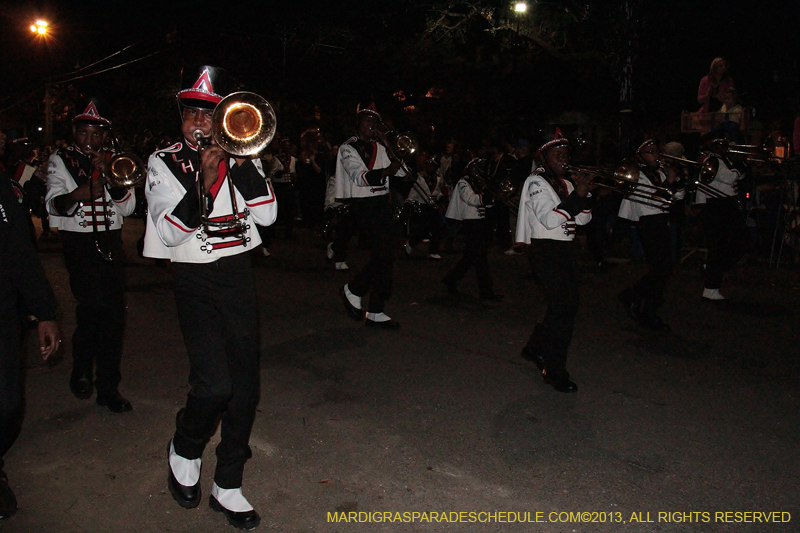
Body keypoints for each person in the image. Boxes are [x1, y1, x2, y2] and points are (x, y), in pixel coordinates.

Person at [143, 65, 277, 530]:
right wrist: (203, 177)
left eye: (208, 115)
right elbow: (169, 230)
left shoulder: (245, 155)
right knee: (215, 384)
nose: (200, 125)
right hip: (194, 279)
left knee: (245, 388)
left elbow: (268, 215)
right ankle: (185, 444)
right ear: (180, 119)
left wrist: (238, 164)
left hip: (238, 274)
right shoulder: (163, 161)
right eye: (191, 115)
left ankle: (230, 484)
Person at [45, 97, 136, 413]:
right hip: (79, 243)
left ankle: (108, 387)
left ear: (104, 136)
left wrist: (109, 177)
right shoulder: (60, 159)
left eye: (96, 135)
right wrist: (77, 195)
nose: (89, 140)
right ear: (75, 132)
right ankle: (82, 366)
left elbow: (129, 206)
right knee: (91, 307)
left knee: (114, 316)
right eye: (84, 133)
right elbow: (52, 204)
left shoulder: (114, 160)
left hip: (110, 240)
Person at [1, 170, 61, 521]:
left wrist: (45, 313)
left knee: (7, 406)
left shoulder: (6, 190)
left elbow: (22, 254)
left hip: (3, 311)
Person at [515, 128, 594, 393]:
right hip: (546, 251)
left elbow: (583, 219)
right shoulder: (537, 182)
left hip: (565, 251)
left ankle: (535, 348)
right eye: (557, 154)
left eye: (565, 154)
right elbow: (549, 220)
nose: (563, 159)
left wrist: (584, 195)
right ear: (544, 158)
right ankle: (554, 369)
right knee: (564, 310)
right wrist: (576, 199)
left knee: (563, 308)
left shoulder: (566, 183)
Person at [335, 101, 403, 329]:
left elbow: (402, 171)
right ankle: (353, 289)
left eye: (374, 121)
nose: (371, 124)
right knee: (383, 254)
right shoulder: (348, 148)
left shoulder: (380, 146)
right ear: (358, 123)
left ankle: (375, 310)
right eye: (367, 120)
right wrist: (384, 171)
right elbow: (358, 176)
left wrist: (389, 146)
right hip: (364, 205)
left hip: (382, 203)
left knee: (387, 255)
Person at [617, 139, 686, 332]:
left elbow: (679, 196)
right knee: (662, 267)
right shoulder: (638, 175)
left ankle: (636, 296)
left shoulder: (660, 171)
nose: (656, 155)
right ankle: (647, 307)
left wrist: (675, 180)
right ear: (640, 155)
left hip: (662, 220)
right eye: (650, 152)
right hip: (649, 222)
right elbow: (653, 201)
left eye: (657, 150)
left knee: (663, 267)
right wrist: (670, 182)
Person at [696, 131, 747, 301]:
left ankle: (712, 267)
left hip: (723, 204)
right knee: (722, 246)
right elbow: (730, 177)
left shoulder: (722, 160)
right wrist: (741, 165)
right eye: (721, 144)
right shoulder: (712, 160)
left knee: (733, 243)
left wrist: (740, 166)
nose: (725, 148)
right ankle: (710, 287)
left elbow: (739, 176)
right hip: (718, 205)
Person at [441, 159, 499, 300]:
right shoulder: (463, 182)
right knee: (479, 258)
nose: (479, 171)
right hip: (470, 223)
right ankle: (486, 292)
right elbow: (470, 199)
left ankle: (452, 279)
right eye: (476, 168)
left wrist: (493, 198)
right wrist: (485, 198)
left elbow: (487, 202)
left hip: (480, 222)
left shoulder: (479, 183)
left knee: (471, 257)